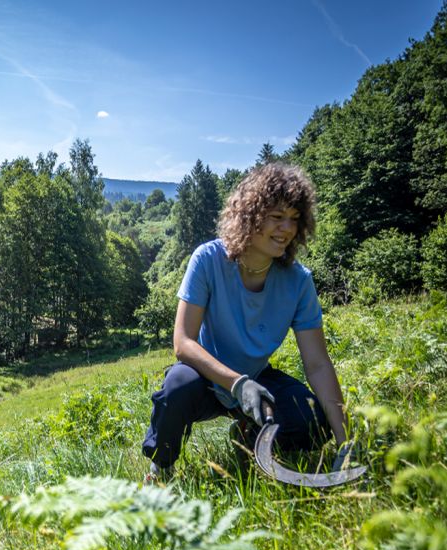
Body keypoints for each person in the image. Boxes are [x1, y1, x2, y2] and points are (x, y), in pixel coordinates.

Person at [142, 163, 351, 481]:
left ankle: (247, 436)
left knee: (310, 420)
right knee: (176, 388)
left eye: (294, 219)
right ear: (250, 215)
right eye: (277, 216)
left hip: (257, 379)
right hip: (206, 375)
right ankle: (161, 468)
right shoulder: (208, 259)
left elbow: (318, 364)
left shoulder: (299, 282)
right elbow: (183, 343)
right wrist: (238, 384)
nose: (286, 229)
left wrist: (346, 443)